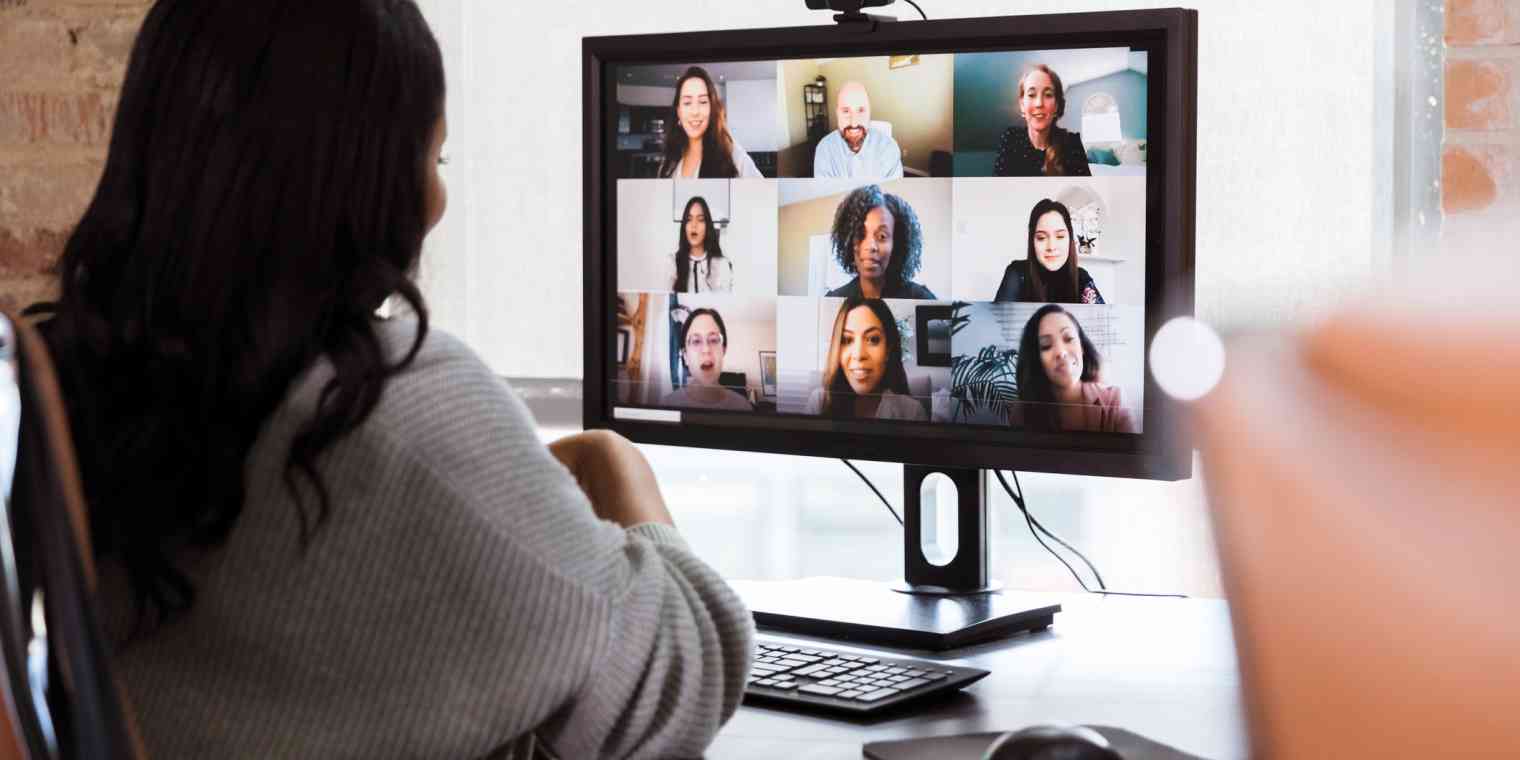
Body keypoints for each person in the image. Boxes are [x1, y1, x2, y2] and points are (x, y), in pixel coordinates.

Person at [30, 1, 752, 757]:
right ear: (363, 176)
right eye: (432, 160)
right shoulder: (388, 403)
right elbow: (678, 679)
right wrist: (612, 461)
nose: (437, 204)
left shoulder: (70, 388)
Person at [1013, 305, 1136, 433]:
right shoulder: (1022, 411)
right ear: (1036, 359)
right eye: (1046, 345)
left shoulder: (1114, 400)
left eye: (1069, 338)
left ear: (1082, 346)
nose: (1061, 352)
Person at [804, 296, 927, 421]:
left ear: (888, 349)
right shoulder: (819, 403)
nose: (858, 354)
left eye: (873, 339)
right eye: (847, 340)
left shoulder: (912, 412)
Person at [824, 184, 936, 299]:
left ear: (896, 243)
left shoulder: (921, 299)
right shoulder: (834, 299)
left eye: (882, 236)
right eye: (861, 234)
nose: (870, 246)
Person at [657, 65, 763, 179]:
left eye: (702, 102)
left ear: (712, 108)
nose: (695, 112)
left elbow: (764, 193)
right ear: (678, 112)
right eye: (687, 103)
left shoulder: (732, 154)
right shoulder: (669, 162)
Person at [994, 198, 1106, 304]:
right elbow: (998, 321)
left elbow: (1102, 320)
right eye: (1041, 238)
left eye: (1060, 236)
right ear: (1032, 241)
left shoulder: (1081, 277)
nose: (1051, 247)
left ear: (1070, 239)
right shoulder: (1018, 272)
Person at [993, 64, 1092, 177]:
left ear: (1056, 106)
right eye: (1031, 95)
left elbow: (1082, 192)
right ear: (1022, 105)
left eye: (1048, 95)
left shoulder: (1072, 143)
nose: (1039, 103)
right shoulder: (1010, 138)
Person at [661, 308, 753, 411]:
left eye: (713, 340)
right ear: (685, 356)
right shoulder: (666, 406)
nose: (706, 349)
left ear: (723, 350)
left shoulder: (743, 407)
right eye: (696, 341)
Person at [812, 81, 904, 180]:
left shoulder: (889, 148)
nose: (854, 123)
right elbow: (824, 192)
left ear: (869, 112)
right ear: (837, 113)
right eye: (846, 111)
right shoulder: (824, 149)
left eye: (861, 110)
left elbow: (893, 191)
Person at [663, 196, 734, 293]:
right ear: (684, 226)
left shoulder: (721, 264)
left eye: (700, 220)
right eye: (689, 219)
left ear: (707, 226)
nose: (694, 225)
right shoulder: (672, 262)